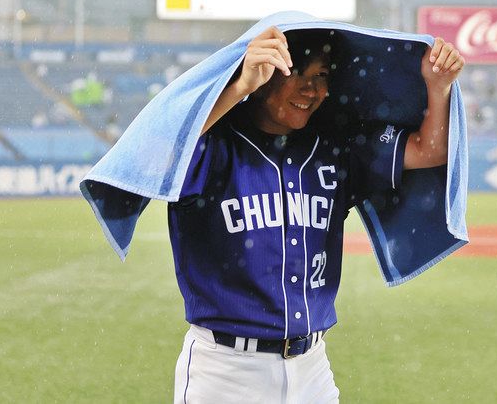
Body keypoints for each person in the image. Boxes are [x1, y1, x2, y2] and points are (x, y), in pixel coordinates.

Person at [167, 25, 464, 403]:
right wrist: (239, 85)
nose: (313, 90)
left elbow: (431, 150)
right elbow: (162, 153)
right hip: (226, 369)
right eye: (298, 74)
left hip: (311, 368)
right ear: (266, 73)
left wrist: (438, 87)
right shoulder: (214, 143)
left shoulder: (334, 145)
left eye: (321, 76)